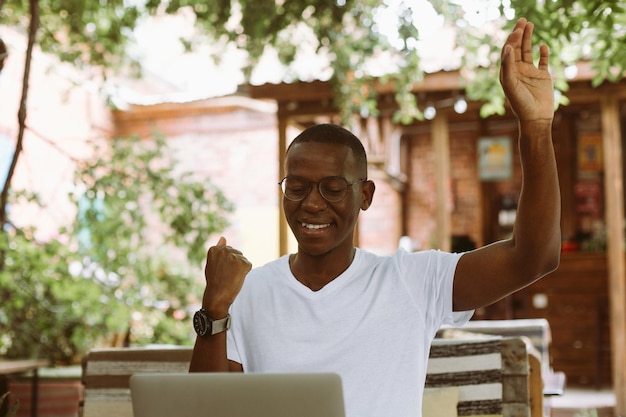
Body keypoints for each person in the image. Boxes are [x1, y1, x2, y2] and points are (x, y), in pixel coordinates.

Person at [189, 17, 561, 417]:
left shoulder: (413, 282)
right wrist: (215, 309)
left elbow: (534, 256)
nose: (312, 204)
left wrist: (535, 127)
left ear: (365, 196)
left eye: (332, 188)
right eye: (296, 187)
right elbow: (207, 411)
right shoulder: (249, 291)